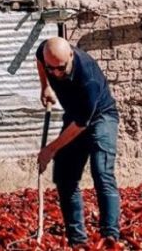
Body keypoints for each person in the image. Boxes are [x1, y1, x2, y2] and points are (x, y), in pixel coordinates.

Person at [36, 37, 120, 247]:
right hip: (75, 116)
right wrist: (45, 86)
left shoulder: (87, 77)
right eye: (51, 68)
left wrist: (50, 149)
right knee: (65, 178)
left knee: (101, 172)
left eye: (60, 68)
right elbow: (39, 59)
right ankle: (78, 241)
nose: (55, 72)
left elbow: (81, 125)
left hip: (101, 116)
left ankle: (110, 237)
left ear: (71, 55)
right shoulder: (46, 53)